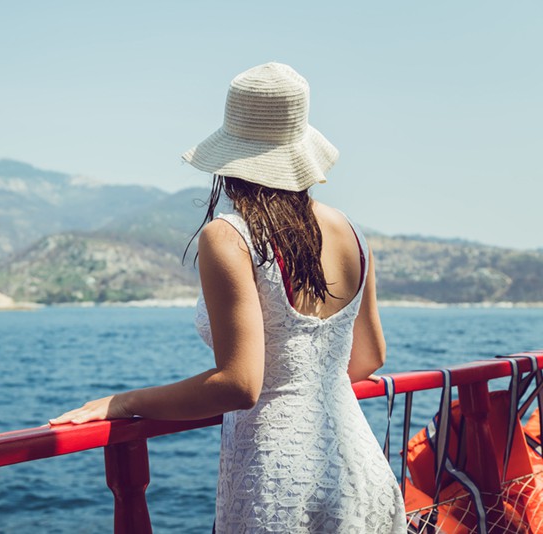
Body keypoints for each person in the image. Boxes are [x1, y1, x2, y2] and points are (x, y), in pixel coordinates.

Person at [50, 62, 406, 533]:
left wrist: (124, 401)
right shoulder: (353, 234)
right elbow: (368, 358)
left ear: (231, 153)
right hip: (361, 471)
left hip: (280, 481)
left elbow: (240, 385)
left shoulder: (229, 236)